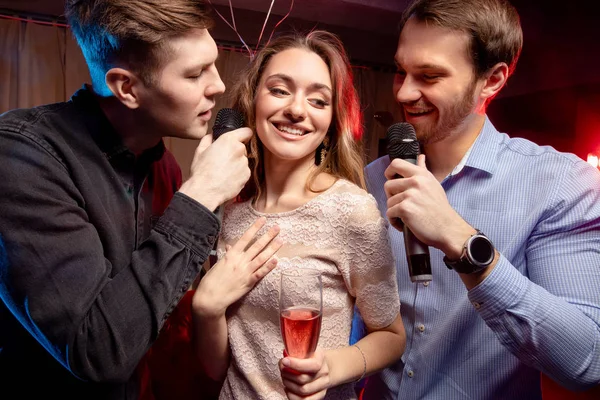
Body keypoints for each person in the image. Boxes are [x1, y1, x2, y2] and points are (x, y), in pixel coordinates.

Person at [0, 0, 280, 398]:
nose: (217, 85)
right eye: (195, 73)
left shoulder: (163, 168)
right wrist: (201, 197)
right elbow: (97, 353)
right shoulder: (22, 157)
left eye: (212, 64)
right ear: (127, 87)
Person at [362, 0, 600, 399]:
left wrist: (462, 241)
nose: (404, 92)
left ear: (491, 80)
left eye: (429, 76)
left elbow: (587, 361)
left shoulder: (559, 184)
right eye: (401, 70)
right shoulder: (373, 178)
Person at [190, 30, 406, 399]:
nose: (297, 109)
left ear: (331, 122)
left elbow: (391, 336)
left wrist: (332, 368)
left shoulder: (352, 211)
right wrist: (206, 309)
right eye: (279, 90)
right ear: (253, 100)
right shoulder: (232, 211)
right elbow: (216, 368)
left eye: (318, 100)